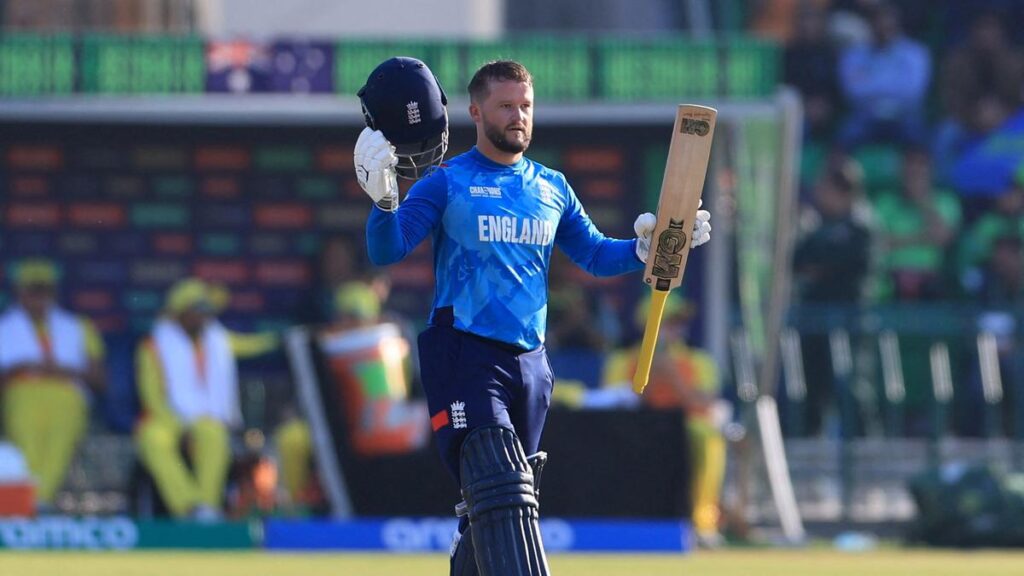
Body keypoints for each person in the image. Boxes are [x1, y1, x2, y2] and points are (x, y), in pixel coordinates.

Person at [354, 57, 711, 575]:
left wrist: (647, 248)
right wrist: (383, 200)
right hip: (465, 356)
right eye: (504, 106)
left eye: (525, 106)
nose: (517, 116)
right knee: (502, 486)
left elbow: (593, 254)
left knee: (496, 505)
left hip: (531, 366)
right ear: (476, 111)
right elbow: (387, 251)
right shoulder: (446, 182)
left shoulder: (551, 187)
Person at [134, 278, 307, 519]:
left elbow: (252, 344)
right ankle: (186, 506)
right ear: (180, 313)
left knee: (214, 435)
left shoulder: (217, 339)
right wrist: (180, 425)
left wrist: (284, 338)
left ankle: (206, 509)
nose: (202, 317)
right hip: (166, 417)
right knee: (153, 440)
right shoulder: (153, 344)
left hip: (204, 418)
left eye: (205, 311)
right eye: (196, 311)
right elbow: (151, 396)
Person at [603, 294, 726, 547]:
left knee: (707, 436)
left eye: (679, 321)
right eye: (670, 321)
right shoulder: (621, 360)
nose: (677, 327)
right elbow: (614, 405)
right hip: (635, 431)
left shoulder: (699, 360)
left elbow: (705, 404)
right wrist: (648, 376)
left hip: (684, 428)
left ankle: (702, 524)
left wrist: (673, 379)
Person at [0, 259, 106, 510]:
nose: (39, 297)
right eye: (33, 290)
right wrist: (21, 368)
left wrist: (58, 370)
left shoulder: (79, 326)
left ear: (54, 292)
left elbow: (99, 379)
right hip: (21, 392)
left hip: (67, 393)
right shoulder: (4, 327)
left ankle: (34, 502)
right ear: (20, 292)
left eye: (44, 290)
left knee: (59, 442)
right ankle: (35, 502)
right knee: (27, 444)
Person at [836, 1, 931, 151]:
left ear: (897, 24)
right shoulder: (854, 54)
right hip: (866, 114)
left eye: (888, 23)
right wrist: (892, 84)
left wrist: (872, 83)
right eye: (878, 22)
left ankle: (917, 174)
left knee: (918, 138)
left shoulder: (915, 53)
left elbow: (912, 92)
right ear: (870, 25)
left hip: (903, 114)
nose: (883, 28)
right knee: (844, 137)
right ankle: (843, 174)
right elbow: (853, 91)